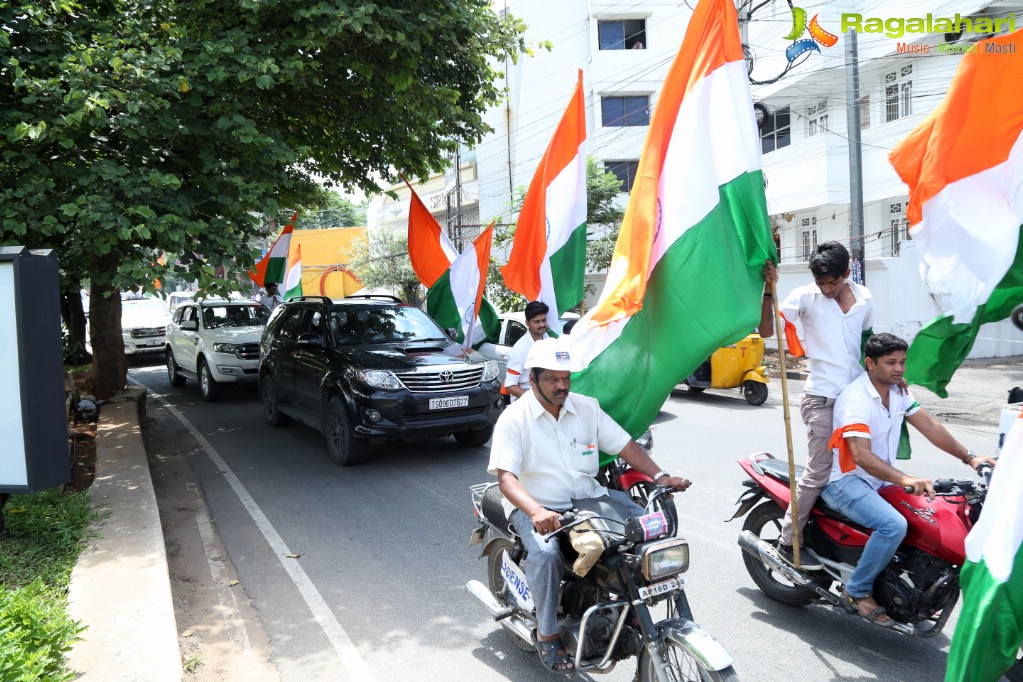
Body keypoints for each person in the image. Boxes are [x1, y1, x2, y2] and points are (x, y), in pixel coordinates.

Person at [488, 337, 690, 673]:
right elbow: (506, 478)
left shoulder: (586, 407)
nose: (561, 385)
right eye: (552, 379)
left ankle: (631, 607)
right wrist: (536, 511)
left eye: (566, 378)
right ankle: (548, 634)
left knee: (645, 534)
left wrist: (660, 475)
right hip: (537, 506)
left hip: (589, 500)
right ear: (533, 377)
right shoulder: (514, 417)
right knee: (546, 553)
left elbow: (624, 445)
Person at [821, 333, 995, 627]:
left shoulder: (899, 393)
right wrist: (904, 478)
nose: (899, 369)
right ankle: (857, 591)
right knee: (893, 525)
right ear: (870, 363)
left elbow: (930, 425)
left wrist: (970, 458)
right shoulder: (855, 400)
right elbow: (861, 456)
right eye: (890, 363)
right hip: (846, 482)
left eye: (902, 362)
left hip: (879, 480)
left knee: (932, 513)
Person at [759, 242, 873, 570]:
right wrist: (770, 288)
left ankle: (844, 539)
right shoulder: (805, 297)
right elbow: (766, 330)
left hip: (856, 399)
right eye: (821, 282)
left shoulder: (865, 298)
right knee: (819, 470)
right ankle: (787, 540)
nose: (826, 289)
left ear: (847, 275)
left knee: (862, 468)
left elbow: (866, 342)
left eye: (832, 283)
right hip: (821, 397)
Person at [503, 300, 550, 401]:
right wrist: (534, 399)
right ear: (527, 323)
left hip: (547, 398)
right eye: (537, 322)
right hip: (526, 403)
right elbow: (510, 385)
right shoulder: (520, 349)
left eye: (544, 320)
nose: (542, 325)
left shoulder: (548, 339)